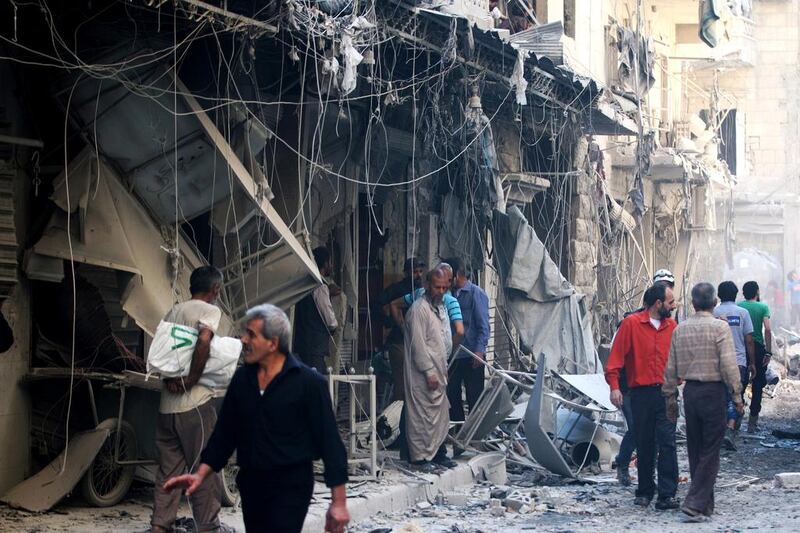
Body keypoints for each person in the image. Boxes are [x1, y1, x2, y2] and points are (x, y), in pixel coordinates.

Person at [164, 304, 350, 533]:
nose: (243, 340)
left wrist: (338, 502)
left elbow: (330, 443)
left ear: (272, 343)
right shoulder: (243, 379)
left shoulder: (308, 383)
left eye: (251, 334)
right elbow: (225, 434)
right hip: (252, 484)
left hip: (290, 486)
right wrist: (200, 474)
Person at [151, 266, 226, 533]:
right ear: (215, 289)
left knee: (168, 472)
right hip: (194, 406)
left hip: (167, 407)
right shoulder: (209, 311)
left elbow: (163, 351)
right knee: (205, 468)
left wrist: (171, 380)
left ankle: (160, 525)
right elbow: (204, 340)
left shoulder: (173, 311)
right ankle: (208, 527)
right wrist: (191, 379)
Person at [664, 283, 743, 521]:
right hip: (713, 392)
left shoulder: (681, 329)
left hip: (691, 393)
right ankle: (695, 503)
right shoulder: (720, 328)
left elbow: (670, 367)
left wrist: (669, 395)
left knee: (695, 447)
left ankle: (706, 504)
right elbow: (729, 366)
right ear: (714, 302)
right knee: (711, 450)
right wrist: (737, 396)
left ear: (693, 303)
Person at [605, 284, 679, 510]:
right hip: (641, 394)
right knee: (645, 442)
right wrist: (614, 387)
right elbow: (615, 358)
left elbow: (679, 357)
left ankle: (666, 495)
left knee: (667, 443)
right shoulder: (632, 324)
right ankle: (645, 490)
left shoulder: (673, 327)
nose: (674, 306)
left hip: (666, 393)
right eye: (670, 302)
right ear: (658, 304)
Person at [404, 267, 455, 471]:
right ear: (427, 285)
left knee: (441, 416)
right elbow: (419, 345)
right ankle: (420, 459)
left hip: (438, 371)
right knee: (421, 417)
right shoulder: (418, 310)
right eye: (437, 287)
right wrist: (429, 371)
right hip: (423, 374)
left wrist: (442, 367)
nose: (441, 291)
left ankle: (438, 455)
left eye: (444, 287)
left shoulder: (438, 308)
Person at [446, 257, 490, 456]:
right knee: (452, 396)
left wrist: (480, 351)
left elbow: (483, 326)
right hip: (454, 356)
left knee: (474, 399)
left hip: (472, 354)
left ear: (457, 275)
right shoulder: (449, 295)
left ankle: (475, 440)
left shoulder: (476, 294)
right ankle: (458, 439)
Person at [713, 281, 755, 450]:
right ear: (736, 294)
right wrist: (752, 363)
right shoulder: (742, 313)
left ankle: (722, 429)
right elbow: (749, 340)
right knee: (735, 395)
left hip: (716, 362)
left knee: (721, 396)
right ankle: (730, 428)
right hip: (738, 362)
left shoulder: (712, 312)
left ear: (719, 295)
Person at [379, 258, 426, 402]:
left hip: (418, 343)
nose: (418, 275)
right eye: (414, 272)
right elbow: (379, 305)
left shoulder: (422, 291)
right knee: (401, 386)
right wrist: (391, 322)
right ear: (406, 273)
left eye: (420, 272)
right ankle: (396, 422)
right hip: (400, 341)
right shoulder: (397, 289)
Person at [293, 246, 339, 374]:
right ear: (325, 263)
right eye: (330, 262)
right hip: (315, 348)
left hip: (303, 346)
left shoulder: (305, 284)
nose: (331, 265)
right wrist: (334, 327)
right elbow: (331, 321)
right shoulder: (320, 287)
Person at [738, 281, 773, 433]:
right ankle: (752, 423)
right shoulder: (763, 307)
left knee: (740, 383)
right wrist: (769, 351)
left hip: (741, 347)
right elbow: (768, 329)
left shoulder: (739, 306)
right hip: (758, 348)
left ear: (743, 293)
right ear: (757, 292)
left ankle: (735, 420)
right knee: (758, 384)